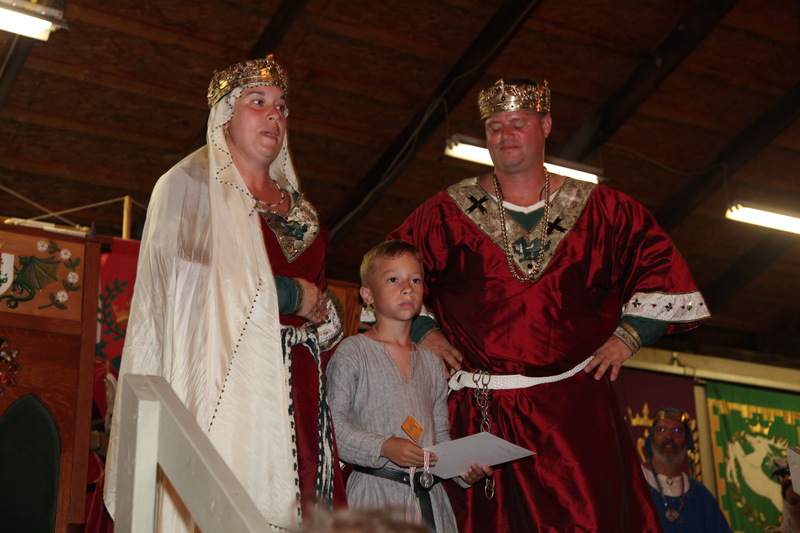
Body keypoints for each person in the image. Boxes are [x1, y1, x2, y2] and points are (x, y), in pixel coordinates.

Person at [390, 78, 711, 531]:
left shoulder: (606, 210)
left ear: (545, 126)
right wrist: (427, 334)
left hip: (574, 413)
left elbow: (665, 273)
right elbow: (388, 275)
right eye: (495, 127)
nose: (505, 136)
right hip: (480, 413)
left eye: (518, 124)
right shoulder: (445, 213)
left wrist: (627, 338)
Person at [104, 55, 346, 532]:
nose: (274, 114)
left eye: (282, 106)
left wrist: (325, 314)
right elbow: (186, 291)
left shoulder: (303, 212)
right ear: (225, 116)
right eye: (258, 102)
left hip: (299, 392)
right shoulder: (187, 188)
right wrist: (286, 296)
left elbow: (315, 293)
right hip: (225, 381)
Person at [326, 240, 491, 532]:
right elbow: (332, 428)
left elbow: (439, 437)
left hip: (430, 502)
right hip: (375, 501)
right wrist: (384, 446)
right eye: (393, 279)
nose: (407, 288)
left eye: (415, 280)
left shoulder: (431, 362)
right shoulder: (353, 351)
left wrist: (462, 470)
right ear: (367, 294)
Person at [643, 408, 731, 532]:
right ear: (652, 437)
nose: (669, 436)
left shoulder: (701, 496)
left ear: (687, 441)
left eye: (677, 431)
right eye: (662, 430)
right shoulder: (634, 485)